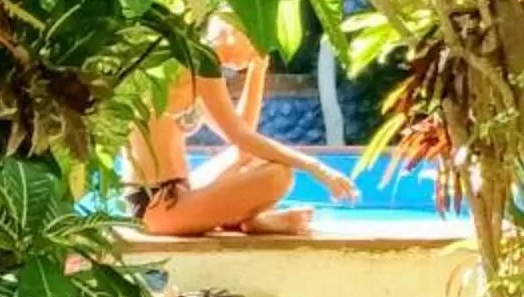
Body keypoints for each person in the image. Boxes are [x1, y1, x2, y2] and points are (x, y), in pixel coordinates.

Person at [127, 16, 360, 237]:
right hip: (157, 204)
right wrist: (317, 168)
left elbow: (243, 141)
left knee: (252, 159)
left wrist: (257, 71)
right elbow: (241, 135)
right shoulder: (199, 61)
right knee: (278, 176)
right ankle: (250, 221)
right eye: (259, 39)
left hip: (176, 193)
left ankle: (243, 219)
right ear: (236, 31)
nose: (262, 49)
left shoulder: (193, 63)